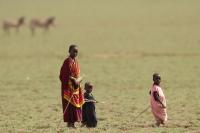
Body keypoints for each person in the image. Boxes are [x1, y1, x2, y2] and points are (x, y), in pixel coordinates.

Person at [59, 44, 84, 128]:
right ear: (69, 51)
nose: (75, 53)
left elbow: (77, 73)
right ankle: (69, 123)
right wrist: (73, 80)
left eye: (77, 52)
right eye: (74, 51)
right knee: (69, 106)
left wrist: (78, 80)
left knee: (75, 105)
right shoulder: (67, 61)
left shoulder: (76, 61)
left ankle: (73, 123)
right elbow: (64, 75)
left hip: (75, 87)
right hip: (68, 87)